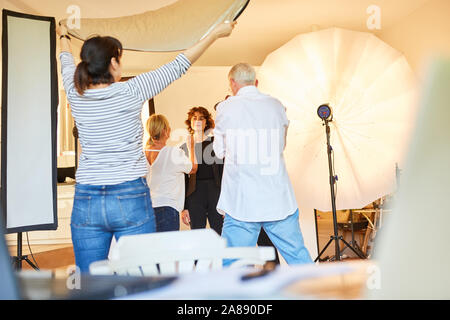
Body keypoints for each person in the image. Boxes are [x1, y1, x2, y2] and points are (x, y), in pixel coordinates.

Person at [56, 21, 236, 272]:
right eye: (120, 58)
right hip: (129, 195)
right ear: (113, 64)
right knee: (142, 275)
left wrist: (63, 34)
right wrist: (215, 33)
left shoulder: (75, 93)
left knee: (89, 279)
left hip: (87, 198)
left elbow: (65, 60)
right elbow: (180, 64)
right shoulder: (132, 90)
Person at [213, 63, 313, 265]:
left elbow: (219, 151)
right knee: (299, 258)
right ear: (255, 82)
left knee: (231, 264)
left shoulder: (226, 108)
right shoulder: (276, 105)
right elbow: (281, 145)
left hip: (242, 202)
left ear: (232, 83)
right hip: (277, 199)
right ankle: (320, 295)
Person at [145, 114, 197, 232]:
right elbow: (193, 168)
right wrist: (191, 147)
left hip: (147, 208)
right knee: (168, 247)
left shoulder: (143, 154)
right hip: (167, 209)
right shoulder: (173, 153)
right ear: (164, 131)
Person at [180, 107, 224, 235]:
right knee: (197, 233)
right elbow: (183, 180)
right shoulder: (184, 147)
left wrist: (226, 201)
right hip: (194, 194)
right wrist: (184, 207)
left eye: (201, 118)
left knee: (219, 231)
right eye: (195, 118)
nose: (198, 121)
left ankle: (223, 255)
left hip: (215, 191)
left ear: (206, 122)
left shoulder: (215, 143)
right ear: (190, 122)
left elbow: (222, 173)